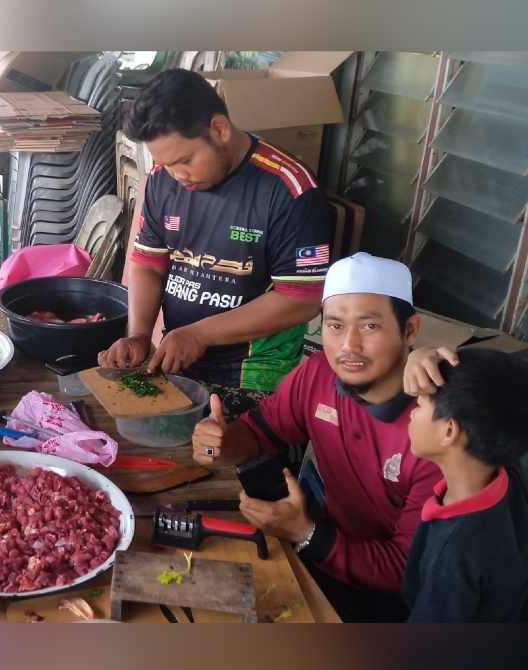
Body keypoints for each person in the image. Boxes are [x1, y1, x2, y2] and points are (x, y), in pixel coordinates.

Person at [191, 252, 442, 622]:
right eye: (335, 326)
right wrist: (225, 443)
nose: (348, 347)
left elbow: (406, 567)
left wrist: (306, 533)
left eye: (370, 326)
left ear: (410, 330)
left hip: (395, 602)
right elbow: (262, 430)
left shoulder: (436, 426)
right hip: (324, 554)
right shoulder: (319, 373)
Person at [98, 68, 333, 393]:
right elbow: (148, 264)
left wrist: (200, 334)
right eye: (165, 164)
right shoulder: (162, 179)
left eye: (184, 160)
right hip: (178, 359)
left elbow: (302, 300)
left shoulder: (289, 189)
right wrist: (139, 335)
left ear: (220, 129)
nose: (176, 175)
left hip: (255, 376)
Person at [403, 348, 528, 622]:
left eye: (419, 405)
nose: (411, 414)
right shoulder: (505, 469)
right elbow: (498, 386)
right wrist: (419, 357)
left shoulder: (455, 554)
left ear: (449, 430)